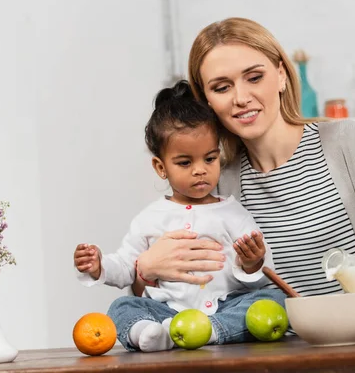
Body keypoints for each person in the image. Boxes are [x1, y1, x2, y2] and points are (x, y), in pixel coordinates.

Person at [132, 18, 355, 331]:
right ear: (206, 101)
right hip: (285, 358)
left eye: (254, 77)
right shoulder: (215, 184)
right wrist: (146, 269)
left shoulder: (346, 145)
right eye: (221, 87)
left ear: (281, 75)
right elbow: (177, 292)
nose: (241, 98)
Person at [73, 80, 286, 352]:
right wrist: (99, 266)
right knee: (121, 307)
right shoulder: (149, 218)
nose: (200, 170)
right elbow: (127, 266)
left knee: (273, 298)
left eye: (209, 159)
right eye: (185, 163)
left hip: (224, 307)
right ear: (160, 167)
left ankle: (212, 331)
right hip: (166, 313)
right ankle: (148, 333)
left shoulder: (232, 212)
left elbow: (263, 273)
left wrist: (253, 262)